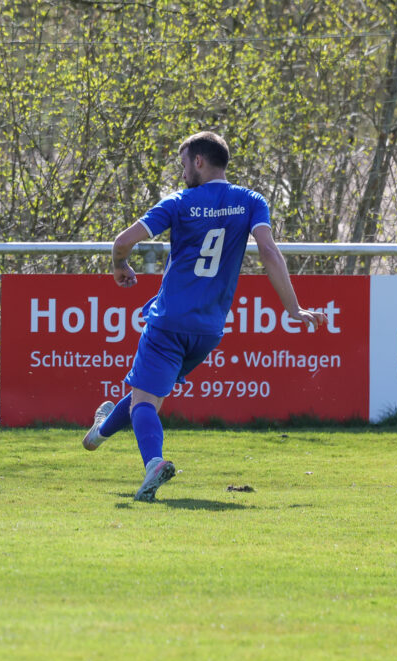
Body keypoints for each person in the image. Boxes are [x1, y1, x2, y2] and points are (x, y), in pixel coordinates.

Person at [81, 132, 326, 502]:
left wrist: (120, 266)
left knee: (145, 402)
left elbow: (122, 242)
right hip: (209, 329)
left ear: (198, 161)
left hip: (169, 319)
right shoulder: (251, 201)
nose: (182, 174)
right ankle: (97, 434)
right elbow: (269, 252)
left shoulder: (179, 202)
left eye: (183, 165)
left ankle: (154, 464)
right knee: (146, 393)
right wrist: (294, 308)